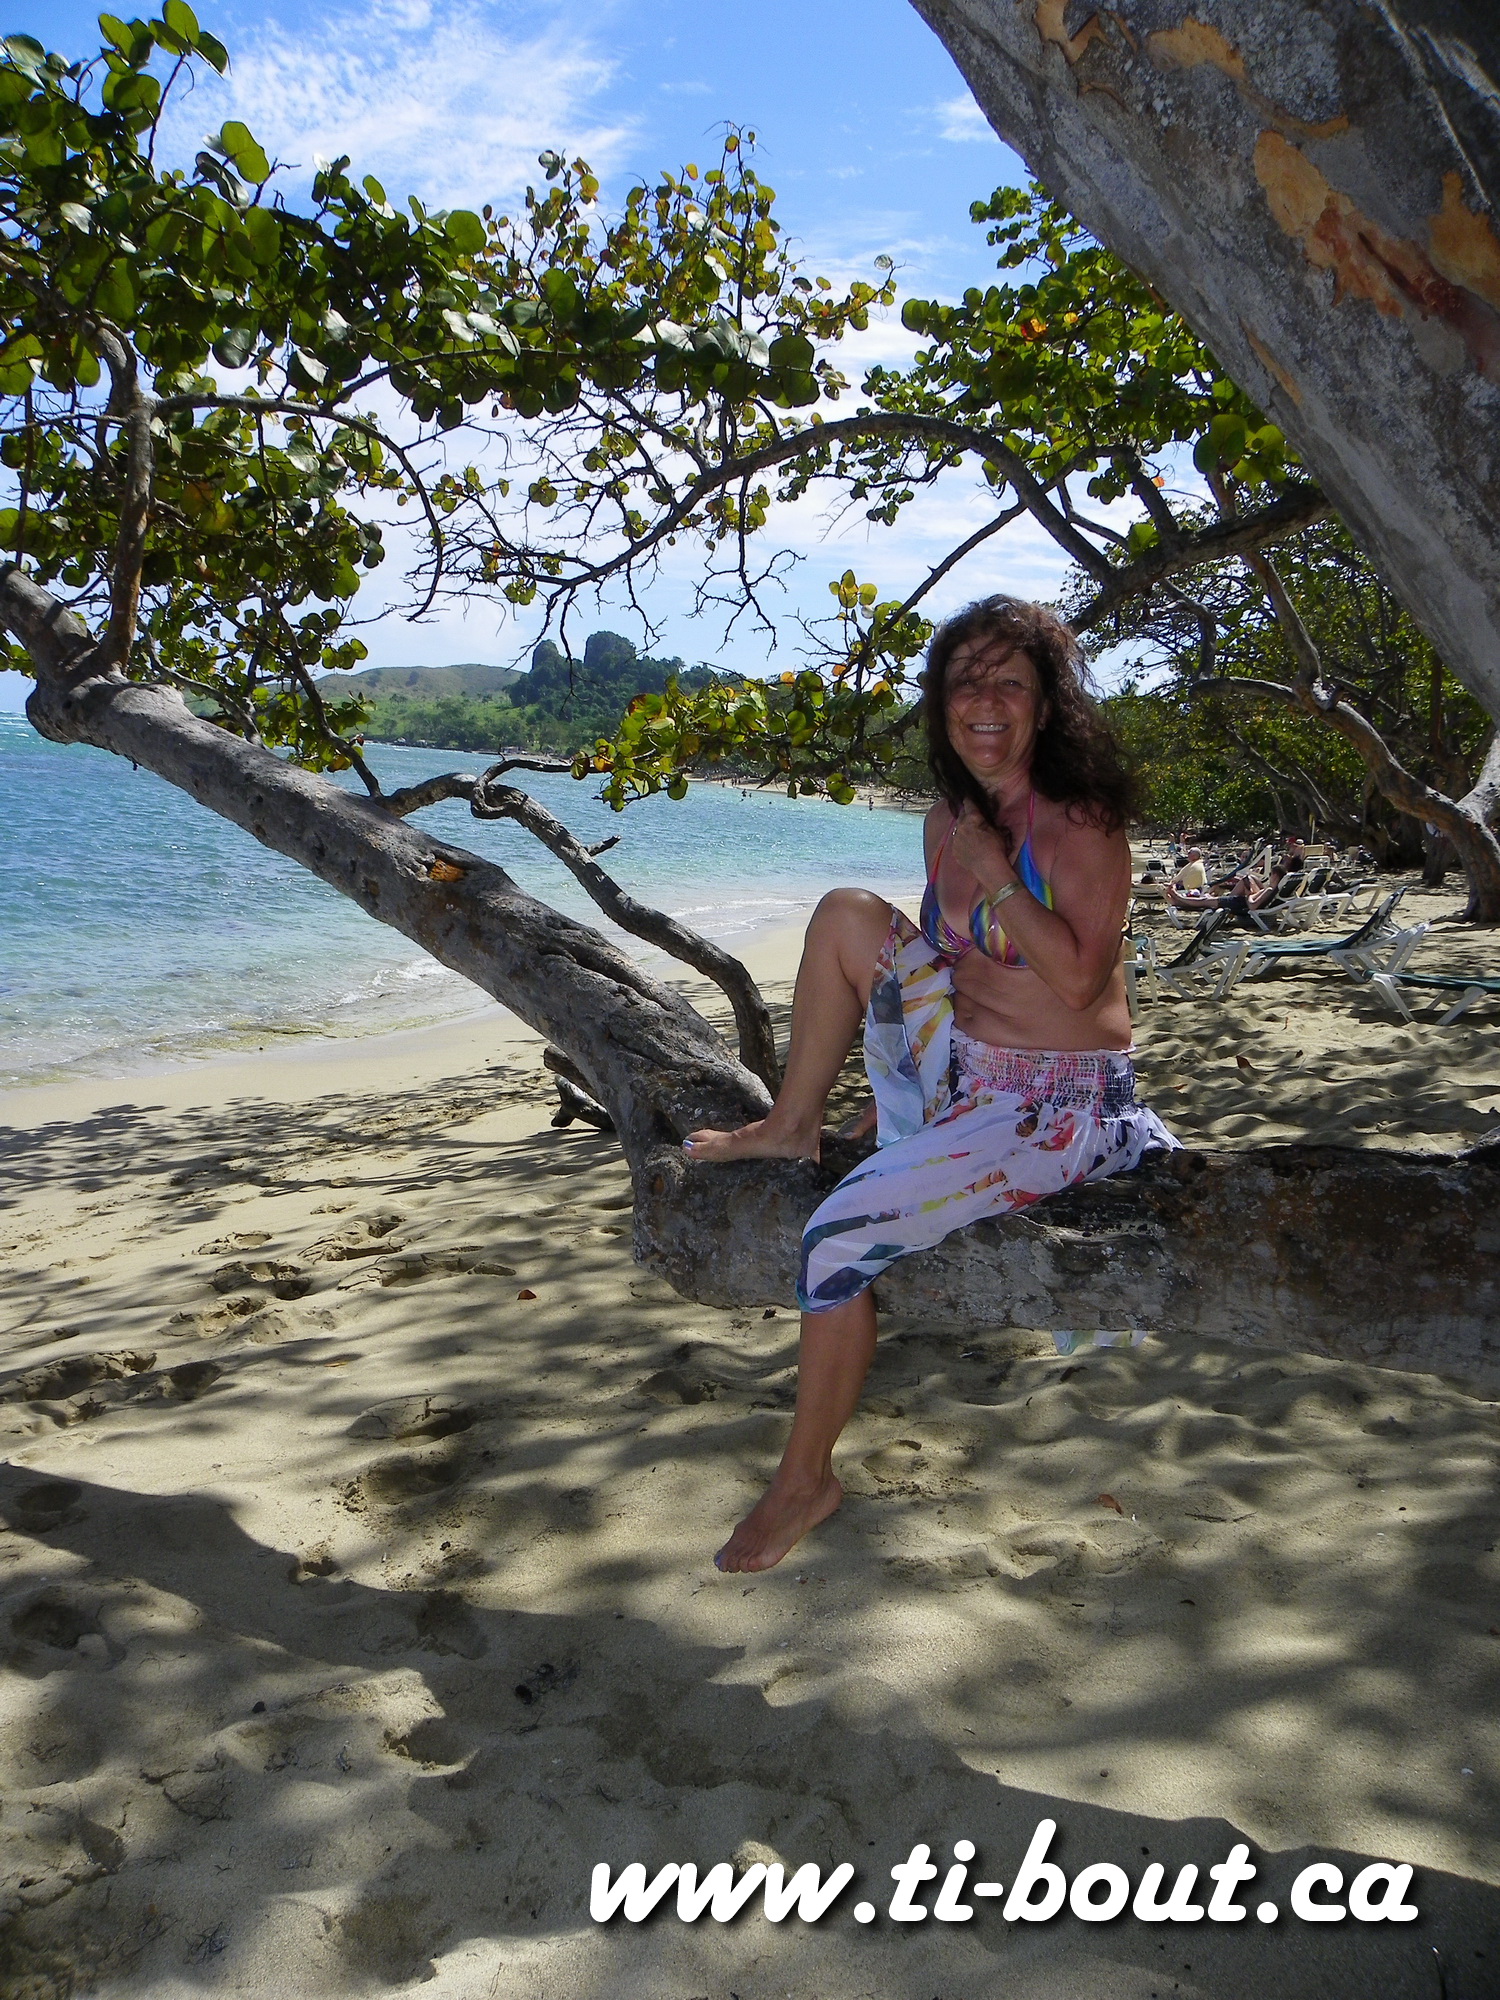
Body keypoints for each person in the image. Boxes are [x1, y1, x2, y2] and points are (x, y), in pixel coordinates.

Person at [683, 595, 1179, 1573]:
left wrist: (996, 874)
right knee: (844, 912)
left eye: (1010, 682)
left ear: (1046, 704)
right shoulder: (946, 820)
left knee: (835, 1237)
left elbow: (1080, 983)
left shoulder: (1083, 822)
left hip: (1060, 1103)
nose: (985, 701)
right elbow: (945, 973)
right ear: (940, 703)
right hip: (965, 1071)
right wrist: (899, 1086)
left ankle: (805, 1480)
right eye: (965, 682)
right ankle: (792, 1122)